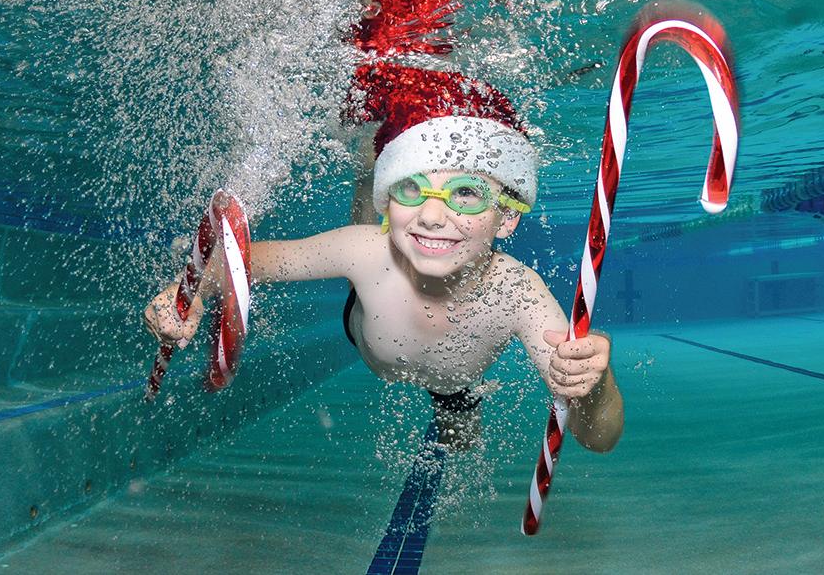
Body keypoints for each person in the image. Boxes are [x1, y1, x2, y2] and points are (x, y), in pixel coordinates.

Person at [144, 63, 624, 451]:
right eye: (411, 188)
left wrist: (594, 384)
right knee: (368, 229)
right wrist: (188, 296)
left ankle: (457, 401)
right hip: (367, 310)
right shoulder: (365, 252)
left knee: (458, 436)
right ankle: (372, 170)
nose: (432, 217)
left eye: (466, 194)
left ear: (508, 217)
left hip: (453, 382)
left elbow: (597, 438)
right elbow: (238, 263)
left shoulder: (518, 293)